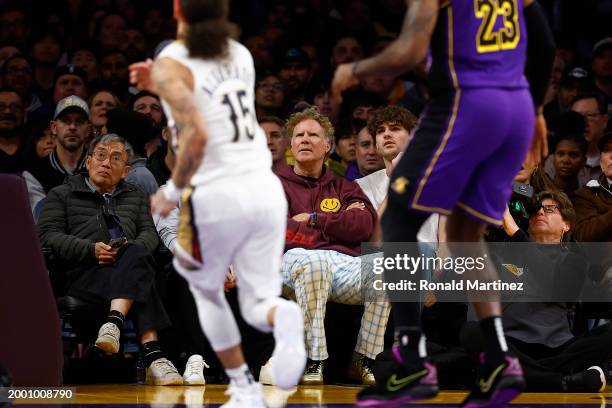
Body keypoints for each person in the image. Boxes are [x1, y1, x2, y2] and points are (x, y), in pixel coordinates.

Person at [332, 0, 555, 406]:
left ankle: (411, 357)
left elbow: (408, 52)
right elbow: (542, 40)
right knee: (465, 231)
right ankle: (500, 357)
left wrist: (355, 70)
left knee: (398, 216)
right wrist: (537, 108)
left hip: (465, 105)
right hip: (516, 110)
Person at [129, 1, 306, 406]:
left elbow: (200, 134)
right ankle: (280, 328)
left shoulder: (173, 57)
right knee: (257, 299)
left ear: (176, 10)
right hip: (263, 187)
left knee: (204, 291)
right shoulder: (239, 53)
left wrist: (170, 191)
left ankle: (240, 382)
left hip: (219, 189)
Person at [37, 133, 183, 385]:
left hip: (127, 268)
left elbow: (149, 234)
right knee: (142, 274)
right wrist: (90, 249)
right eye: (101, 156)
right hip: (82, 275)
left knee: (137, 253)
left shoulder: (135, 196)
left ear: (126, 171)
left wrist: (127, 250)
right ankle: (154, 355)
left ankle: (113, 324)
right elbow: (47, 237)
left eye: (116, 158)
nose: (106, 163)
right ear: (88, 161)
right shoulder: (61, 194)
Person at [273, 107, 387, 386]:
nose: (304, 139)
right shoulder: (273, 185)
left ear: (327, 146)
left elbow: (363, 225)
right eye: (298, 135)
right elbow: (279, 232)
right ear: (290, 144)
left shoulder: (344, 187)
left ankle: (363, 359)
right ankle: (314, 360)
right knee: (315, 262)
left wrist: (316, 219)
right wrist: (334, 233)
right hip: (291, 264)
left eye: (313, 135)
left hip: (342, 267)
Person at [468, 190, 612, 393]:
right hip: (512, 345)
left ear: (566, 225)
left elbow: (557, 289)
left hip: (558, 347)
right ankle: (563, 381)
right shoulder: (502, 256)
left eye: (550, 209)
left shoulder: (575, 259)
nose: (541, 213)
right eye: (536, 210)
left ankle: (516, 375)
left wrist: (517, 234)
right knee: (473, 332)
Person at [0, 88, 25, 174]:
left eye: (15, 108)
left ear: (24, 114)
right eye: (1, 107)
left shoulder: (35, 148)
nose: (7, 112)